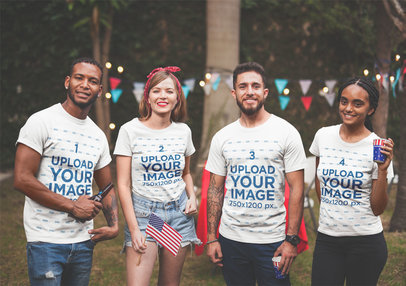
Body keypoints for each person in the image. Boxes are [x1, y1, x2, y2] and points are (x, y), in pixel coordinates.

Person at [14, 57, 119, 285]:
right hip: (45, 241)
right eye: (79, 78)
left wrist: (114, 225)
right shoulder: (41, 121)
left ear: (100, 90)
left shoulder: (98, 135)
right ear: (67, 82)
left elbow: (107, 186)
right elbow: (22, 179)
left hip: (83, 241)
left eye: (92, 81)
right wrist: (72, 206)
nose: (84, 85)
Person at [205, 62, 306, 286]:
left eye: (255, 86)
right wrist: (212, 237)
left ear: (265, 92)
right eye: (243, 86)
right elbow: (215, 189)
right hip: (231, 240)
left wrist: (291, 240)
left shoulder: (286, 132)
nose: (249, 91)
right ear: (234, 93)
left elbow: (298, 188)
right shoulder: (222, 137)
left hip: (273, 242)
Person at [114, 66, 201, 286]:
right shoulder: (129, 130)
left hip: (178, 216)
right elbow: (123, 185)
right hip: (145, 217)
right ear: (148, 96)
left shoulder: (183, 131)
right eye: (156, 90)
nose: (163, 95)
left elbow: (186, 173)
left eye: (169, 91)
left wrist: (192, 196)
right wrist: (133, 228)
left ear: (177, 98)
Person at [309, 77, 394, 286]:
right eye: (344, 101)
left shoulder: (378, 146)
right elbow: (320, 179)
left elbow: (378, 209)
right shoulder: (323, 136)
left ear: (371, 109)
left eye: (358, 103)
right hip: (328, 239)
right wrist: (332, 212)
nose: (348, 108)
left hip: (365, 242)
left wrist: (382, 171)